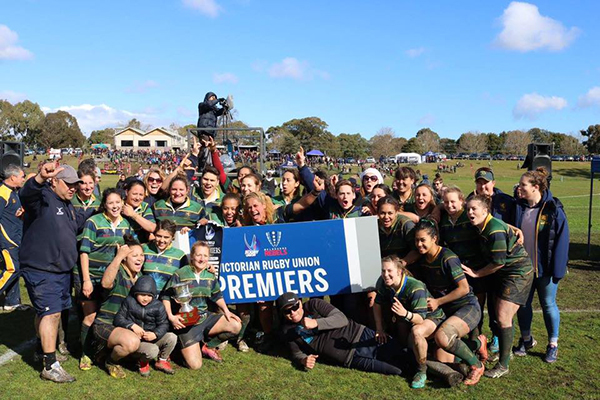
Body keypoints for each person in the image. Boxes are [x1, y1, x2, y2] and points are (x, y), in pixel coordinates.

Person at [20, 163, 85, 383]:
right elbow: (26, 194)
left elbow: (74, 227)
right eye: (69, 184)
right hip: (42, 268)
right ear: (55, 181)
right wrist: (39, 177)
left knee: (45, 312)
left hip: (60, 271)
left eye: (75, 185)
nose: (73, 189)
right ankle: (50, 365)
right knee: (51, 314)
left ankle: (41, 349)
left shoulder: (67, 204)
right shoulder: (42, 198)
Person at [462, 195, 534, 378]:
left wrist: (476, 274)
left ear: (485, 211)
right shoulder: (483, 223)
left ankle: (503, 364)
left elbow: (498, 263)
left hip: (517, 273)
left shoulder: (494, 231)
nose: (470, 212)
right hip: (505, 273)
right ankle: (505, 353)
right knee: (501, 314)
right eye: (468, 209)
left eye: (474, 209)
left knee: (503, 316)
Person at [411, 220, 486, 387]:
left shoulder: (448, 258)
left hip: (466, 307)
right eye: (416, 240)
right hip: (446, 313)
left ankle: (477, 365)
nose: (419, 244)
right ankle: (478, 344)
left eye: (423, 240)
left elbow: (464, 289)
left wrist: (438, 301)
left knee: (443, 337)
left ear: (434, 238)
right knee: (441, 357)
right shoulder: (423, 260)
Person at [278, 292, 409, 376]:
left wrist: (317, 323)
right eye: (287, 311)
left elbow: (341, 319)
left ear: (300, 303)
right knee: (397, 371)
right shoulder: (288, 330)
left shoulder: (314, 305)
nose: (293, 313)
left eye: (294, 307)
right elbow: (296, 352)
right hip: (350, 359)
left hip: (361, 336)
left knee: (403, 353)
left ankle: (424, 366)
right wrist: (303, 360)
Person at [513, 168, 569, 363]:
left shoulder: (553, 208)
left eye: (523, 185)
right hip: (523, 270)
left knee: (548, 304)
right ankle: (526, 339)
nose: (518, 188)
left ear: (535, 187)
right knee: (523, 305)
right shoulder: (519, 207)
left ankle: (553, 344)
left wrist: (558, 270)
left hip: (546, 270)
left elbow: (562, 240)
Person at [77, 188, 134, 371]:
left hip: (110, 280)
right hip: (91, 277)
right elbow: (84, 252)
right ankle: (85, 353)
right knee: (90, 316)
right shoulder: (93, 222)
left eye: (118, 202)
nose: (115, 206)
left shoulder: (126, 224)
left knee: (105, 317)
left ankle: (100, 351)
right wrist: (85, 279)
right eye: (111, 203)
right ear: (104, 205)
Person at [162, 241, 242, 368]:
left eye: (205, 256)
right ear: (192, 256)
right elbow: (165, 296)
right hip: (187, 323)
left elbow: (216, 295)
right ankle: (179, 348)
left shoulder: (210, 276)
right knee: (195, 365)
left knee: (235, 325)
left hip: (205, 318)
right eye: (199, 255)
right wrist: (171, 316)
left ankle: (207, 346)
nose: (202, 259)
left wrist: (227, 311)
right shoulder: (180, 274)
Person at [93, 235, 144, 378]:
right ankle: (110, 360)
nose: (139, 258)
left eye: (141, 255)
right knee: (131, 343)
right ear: (125, 258)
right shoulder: (119, 272)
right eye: (134, 255)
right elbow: (106, 284)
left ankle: (109, 353)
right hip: (106, 324)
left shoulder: (140, 277)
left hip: (126, 325)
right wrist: (118, 257)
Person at [114, 275, 177, 376]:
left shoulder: (158, 306)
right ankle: (142, 362)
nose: (146, 298)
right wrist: (131, 325)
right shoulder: (129, 302)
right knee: (153, 350)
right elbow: (118, 319)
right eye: (142, 295)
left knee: (172, 337)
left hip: (151, 338)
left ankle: (162, 360)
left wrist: (155, 334)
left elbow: (164, 324)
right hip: (136, 342)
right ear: (136, 293)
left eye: (149, 296)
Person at [0, 164, 26, 311]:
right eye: (22, 176)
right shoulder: (2, 192)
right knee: (12, 269)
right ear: (13, 177)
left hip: (16, 238)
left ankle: (12, 302)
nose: (23, 179)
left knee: (16, 269)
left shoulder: (14, 191)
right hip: (7, 240)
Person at [142, 219, 188, 295]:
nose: (162, 240)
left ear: (172, 237)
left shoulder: (180, 256)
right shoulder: (144, 249)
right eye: (159, 236)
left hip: (167, 301)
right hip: (144, 298)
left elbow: (188, 275)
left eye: (166, 237)